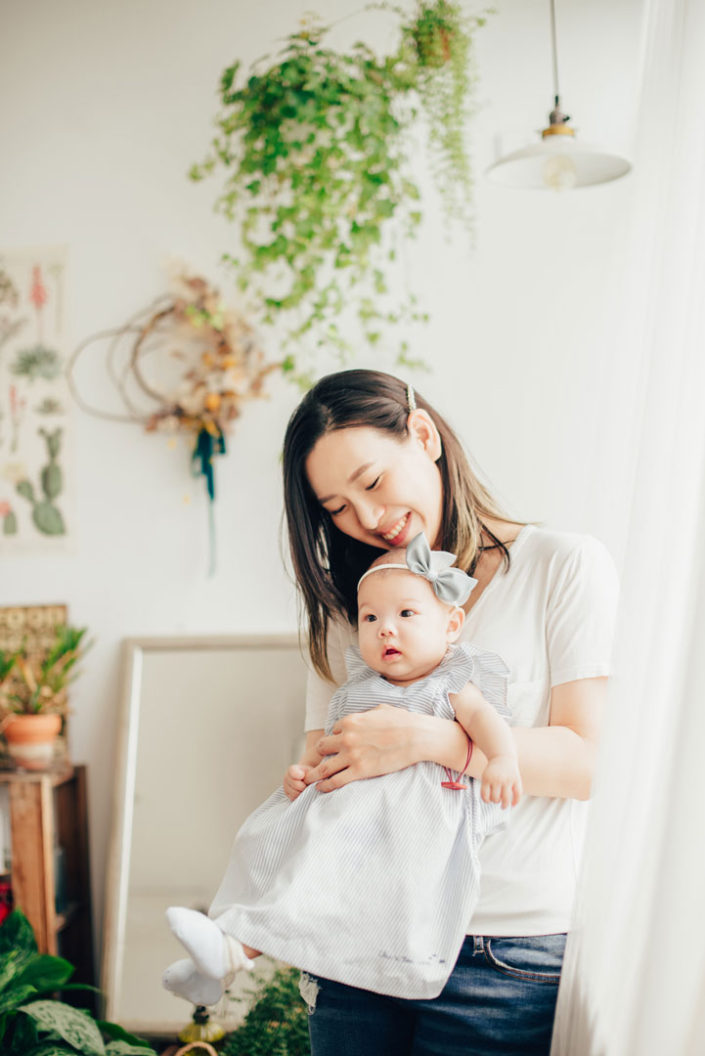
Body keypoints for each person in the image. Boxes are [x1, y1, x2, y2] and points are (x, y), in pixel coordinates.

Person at [280, 369, 619, 1056]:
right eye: (336, 508)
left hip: (503, 951)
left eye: (371, 483)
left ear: (424, 435)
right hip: (361, 940)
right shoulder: (355, 610)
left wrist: (428, 739)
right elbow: (330, 764)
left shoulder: (562, 567)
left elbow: (589, 763)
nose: (366, 520)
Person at [162, 531, 522, 1005]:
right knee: (269, 842)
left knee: (319, 876)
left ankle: (230, 952)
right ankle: (226, 947)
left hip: (410, 816)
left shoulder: (449, 684)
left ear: (451, 624)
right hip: (348, 807)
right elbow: (330, 745)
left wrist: (502, 761)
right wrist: (304, 772)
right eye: (370, 617)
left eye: (406, 614)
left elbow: (486, 723)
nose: (385, 629)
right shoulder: (356, 690)